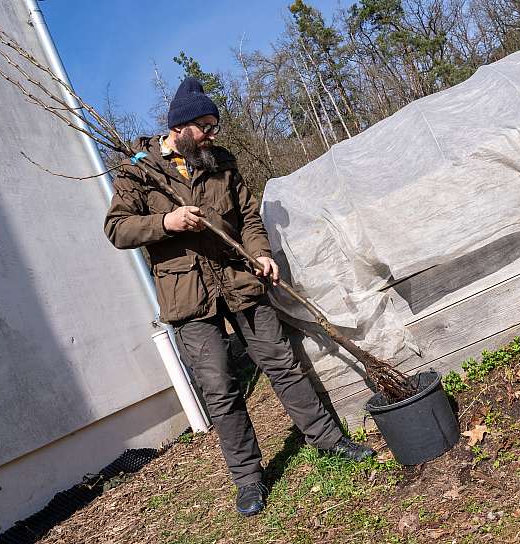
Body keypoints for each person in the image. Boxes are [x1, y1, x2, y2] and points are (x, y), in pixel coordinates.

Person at [104, 77, 373, 516]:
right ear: (180, 125)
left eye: (214, 126)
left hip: (239, 278)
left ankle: (328, 441)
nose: (212, 134)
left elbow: (248, 216)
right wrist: (166, 222)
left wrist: (261, 253)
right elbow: (117, 229)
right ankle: (248, 479)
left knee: (282, 365)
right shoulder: (138, 170)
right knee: (221, 389)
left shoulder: (220, 161)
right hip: (187, 293)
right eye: (205, 126)